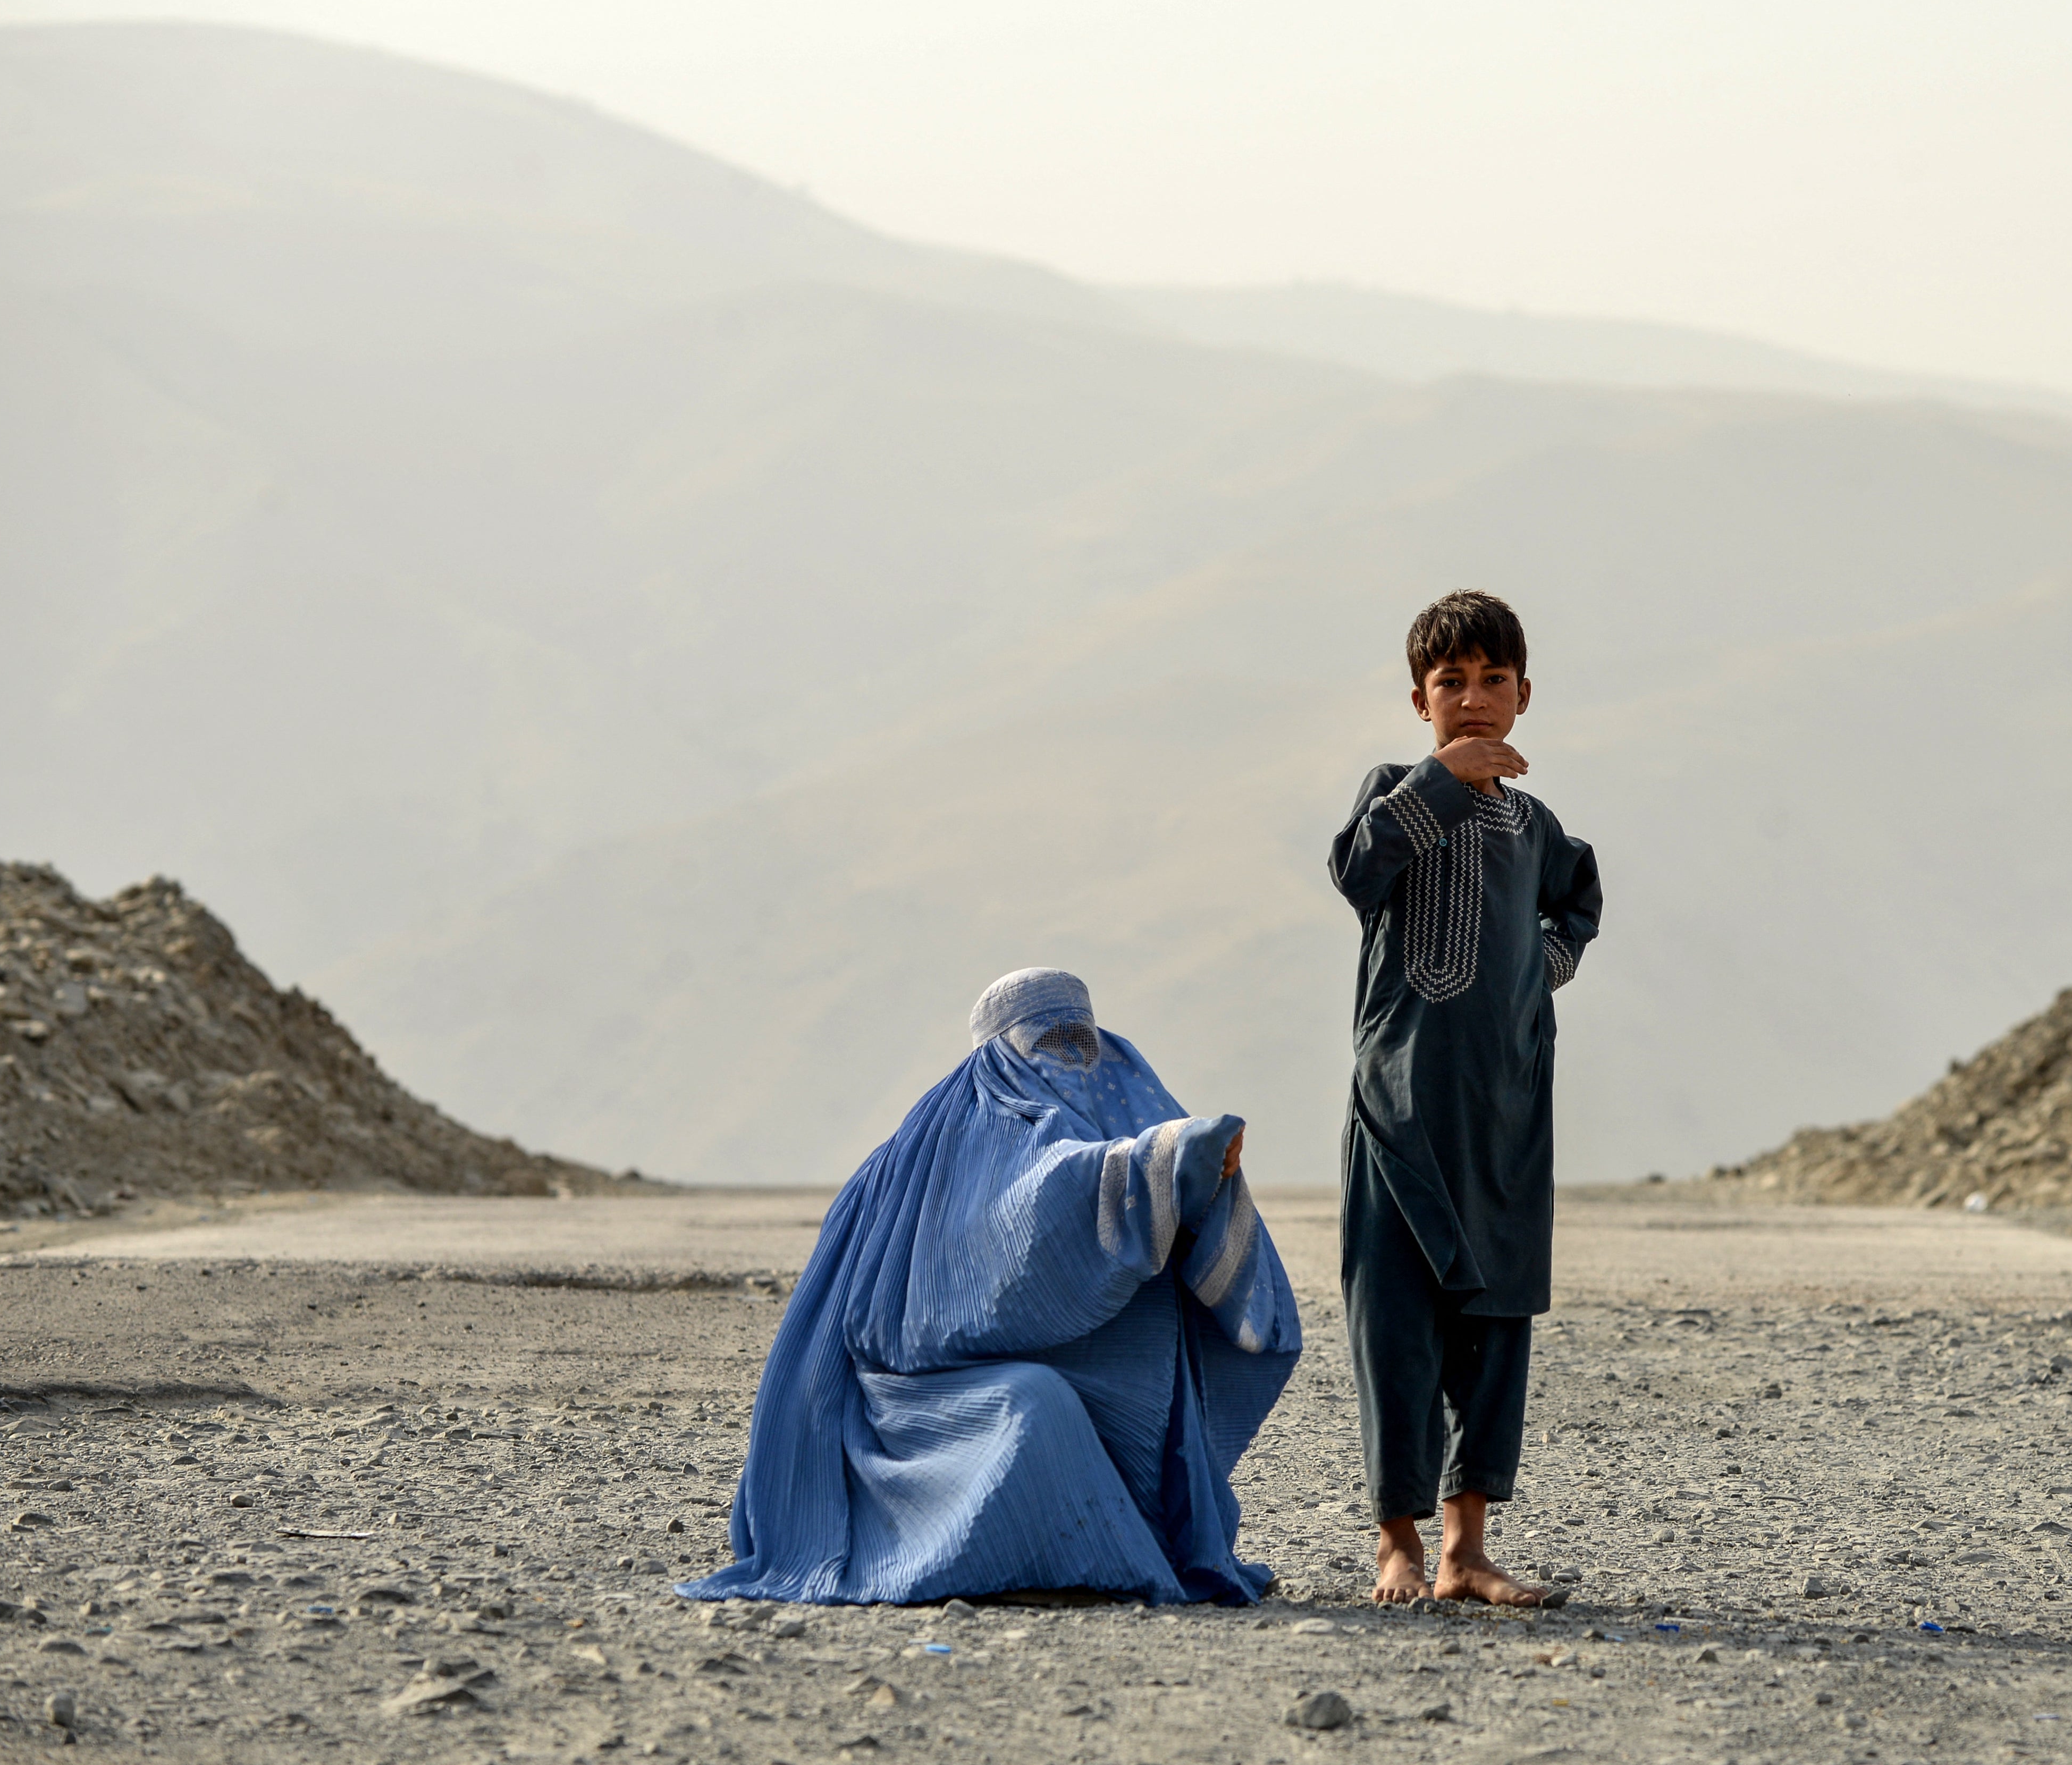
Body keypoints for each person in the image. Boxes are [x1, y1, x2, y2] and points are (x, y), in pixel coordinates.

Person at [678, 967, 1300, 1607]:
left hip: (1039, 1369)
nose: (1071, 1058)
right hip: (917, 1389)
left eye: (1082, 1040)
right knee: (1035, 1407)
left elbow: (1133, 1180)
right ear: (999, 1049)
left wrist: (1197, 1173)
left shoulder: (1108, 1112)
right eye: (1050, 1038)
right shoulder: (961, 1138)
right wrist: (1166, 1159)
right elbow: (1032, 1212)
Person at [1328, 589, 1602, 1606]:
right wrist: (1439, 783)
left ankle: (1466, 1548)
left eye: (1494, 681)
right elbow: (1359, 875)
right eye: (1453, 683)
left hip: (1505, 1113)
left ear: (1525, 697)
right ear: (1419, 700)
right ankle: (1396, 1541)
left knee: (1494, 1323)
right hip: (1399, 1107)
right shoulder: (1395, 792)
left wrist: (1544, 966)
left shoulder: (1535, 825)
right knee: (1393, 1319)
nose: (1474, 699)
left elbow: (1579, 898)